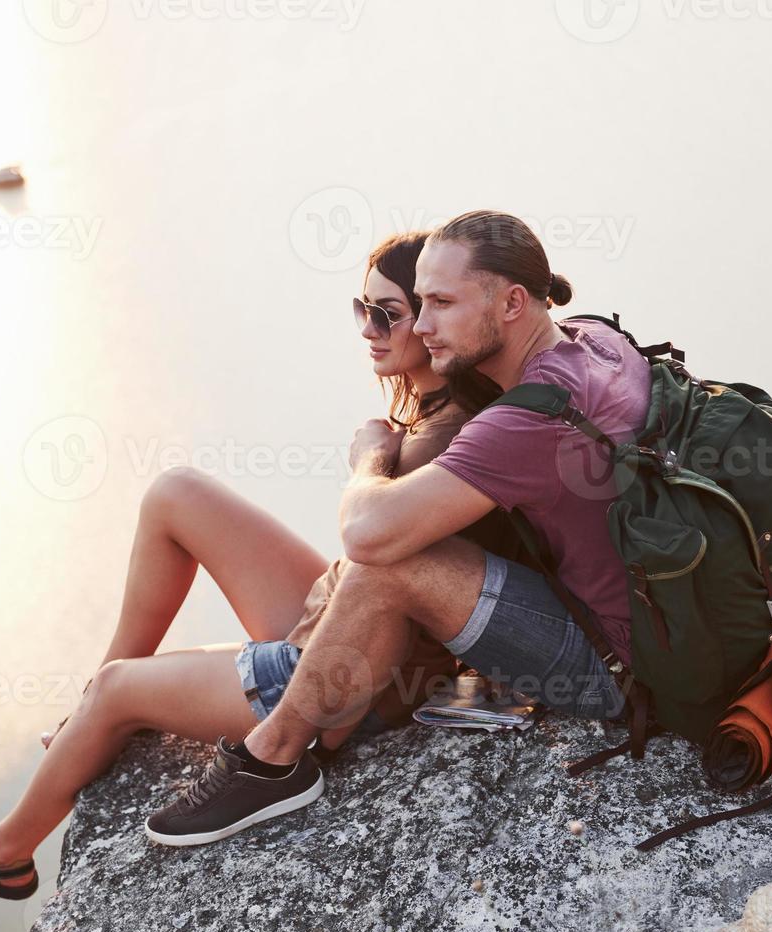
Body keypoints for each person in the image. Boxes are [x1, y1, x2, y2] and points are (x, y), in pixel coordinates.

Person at [0, 230, 532, 897]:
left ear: (439, 317)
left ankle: (6, 851)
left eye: (389, 314)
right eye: (362, 309)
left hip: (342, 680)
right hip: (344, 620)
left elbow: (378, 549)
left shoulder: (435, 440)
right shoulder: (442, 408)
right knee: (176, 493)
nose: (368, 330)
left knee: (120, 689)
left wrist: (372, 457)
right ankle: (87, 710)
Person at [142, 210, 652, 847]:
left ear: (515, 302)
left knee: (393, 556)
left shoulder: (529, 418)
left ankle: (274, 758)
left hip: (612, 667)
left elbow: (367, 533)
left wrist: (369, 459)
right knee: (410, 535)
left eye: (440, 303)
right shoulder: (593, 339)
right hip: (640, 615)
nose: (426, 323)